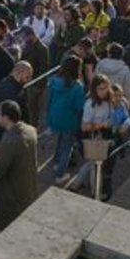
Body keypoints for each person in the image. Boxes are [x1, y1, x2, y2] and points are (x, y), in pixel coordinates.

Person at [0, 101, 37, 230]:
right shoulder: (30, 130)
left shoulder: (10, 139)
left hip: (12, 196)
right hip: (28, 190)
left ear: (6, 117)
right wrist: (3, 152)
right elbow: (21, 152)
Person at [46, 55, 85, 184]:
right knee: (67, 148)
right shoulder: (77, 86)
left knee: (59, 141)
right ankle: (60, 174)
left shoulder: (54, 81)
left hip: (55, 117)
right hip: (69, 120)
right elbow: (79, 106)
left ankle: (56, 163)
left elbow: (49, 100)